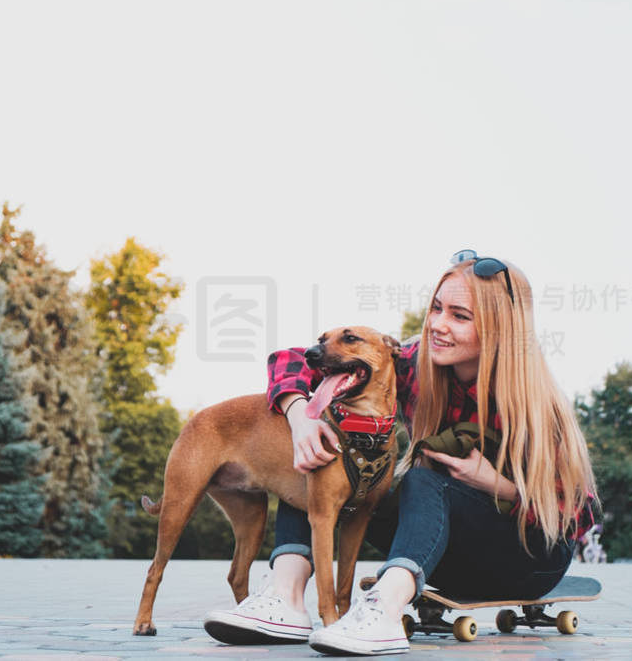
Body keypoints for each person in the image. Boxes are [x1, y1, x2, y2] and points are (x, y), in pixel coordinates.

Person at [204, 250, 598, 656]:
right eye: (437, 308)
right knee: (322, 455)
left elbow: (579, 515)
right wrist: (300, 414)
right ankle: (286, 596)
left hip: (529, 561)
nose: (438, 326)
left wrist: (496, 484)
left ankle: (386, 611)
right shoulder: (414, 365)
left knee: (423, 479)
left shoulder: (533, 401)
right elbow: (290, 360)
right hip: (446, 556)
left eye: (460, 317)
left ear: (499, 329)